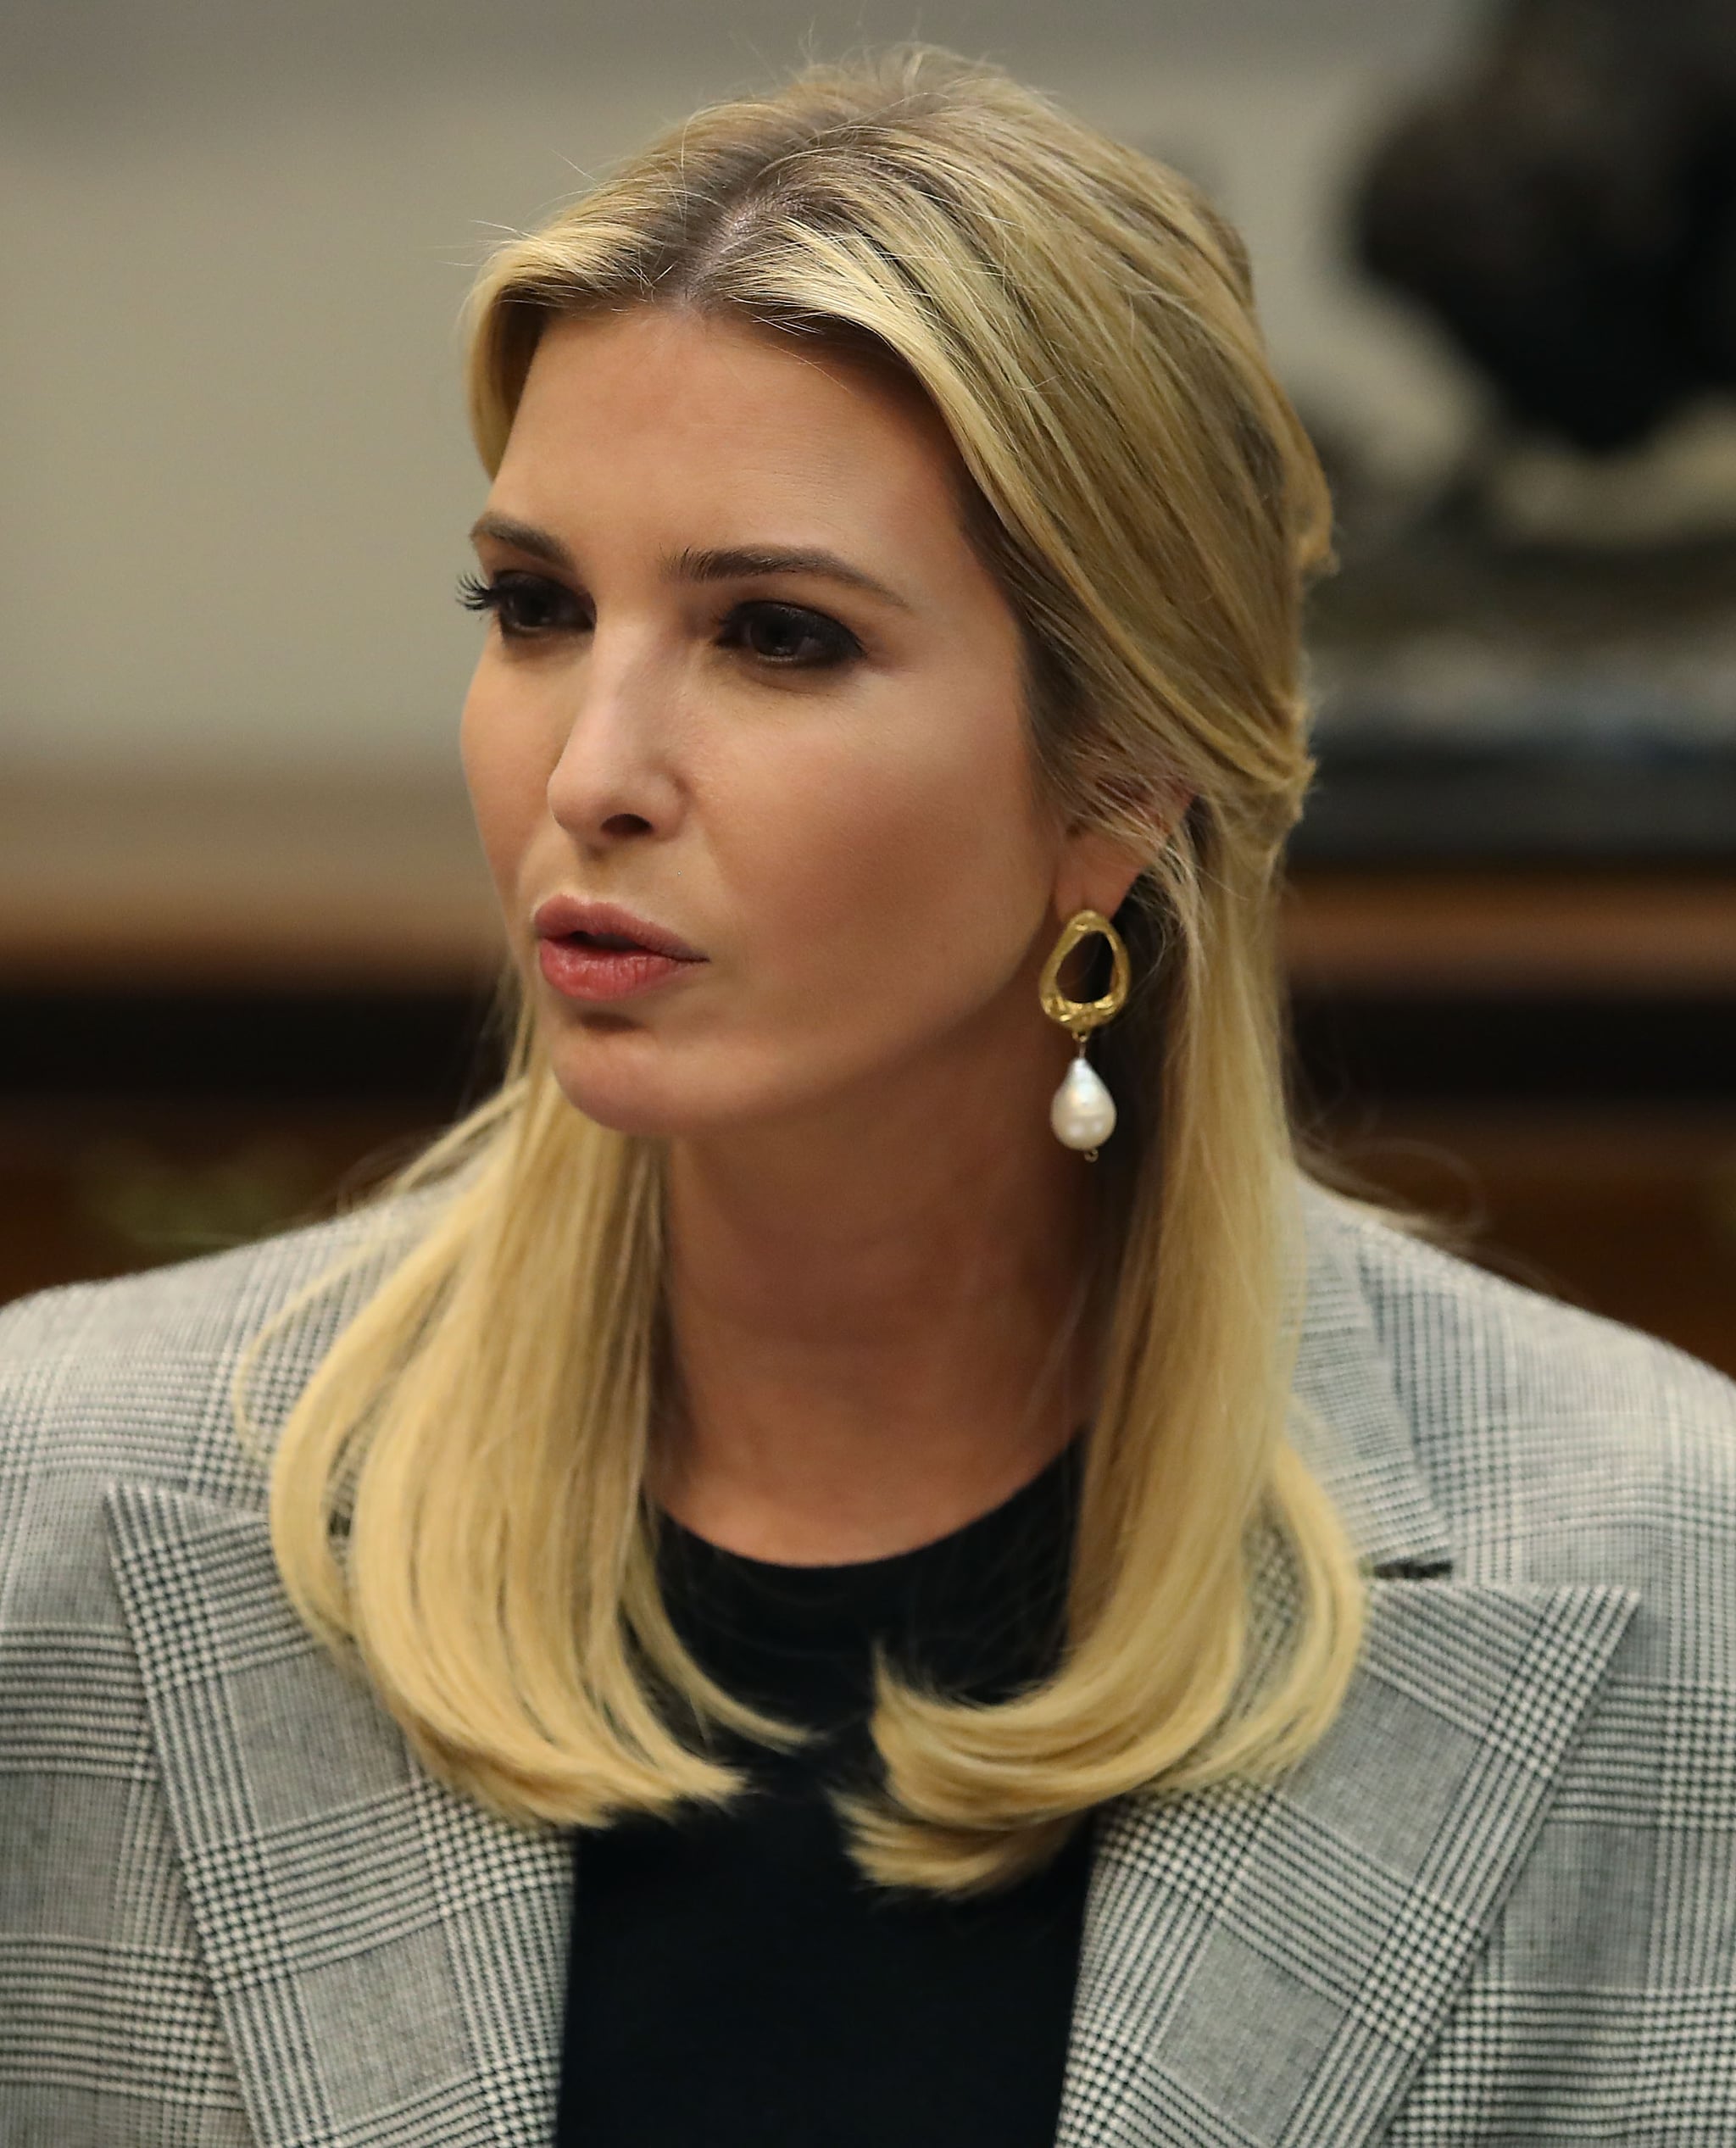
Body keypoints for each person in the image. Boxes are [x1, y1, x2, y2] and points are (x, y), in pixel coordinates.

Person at [1, 43, 1732, 2148]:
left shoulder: (1673, 1575)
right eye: (534, 608)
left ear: (1116, 786)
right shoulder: (59, 1507)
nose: (587, 772)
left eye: (776, 637)